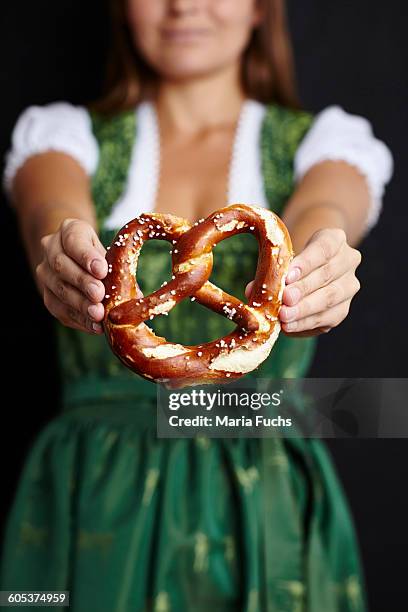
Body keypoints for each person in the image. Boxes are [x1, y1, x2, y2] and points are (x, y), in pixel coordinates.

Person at [1, 0, 393, 610]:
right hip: (97, 488)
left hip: (267, 495)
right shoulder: (64, 137)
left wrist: (325, 258)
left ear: (262, 9)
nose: (184, 5)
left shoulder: (324, 144)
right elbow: (49, 212)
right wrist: (60, 249)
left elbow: (327, 213)